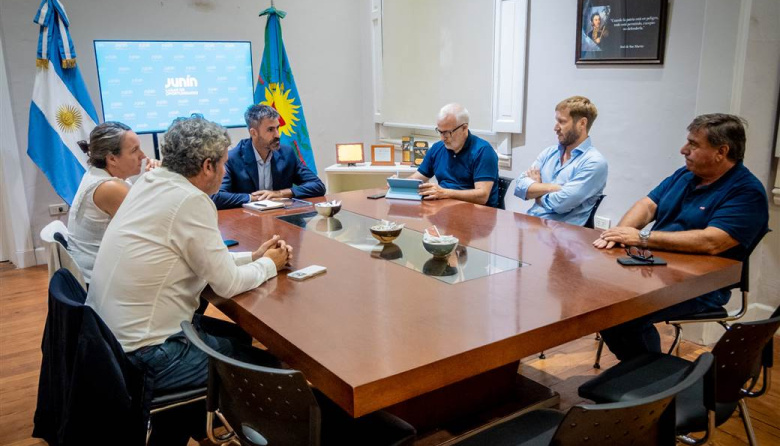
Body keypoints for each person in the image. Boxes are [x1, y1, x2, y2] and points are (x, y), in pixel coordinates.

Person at [86, 115, 292, 415]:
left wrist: (254, 257)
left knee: (236, 337)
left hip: (108, 345)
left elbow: (194, 256)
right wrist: (271, 266)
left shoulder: (150, 182)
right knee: (273, 369)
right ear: (207, 166)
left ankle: (194, 422)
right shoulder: (190, 200)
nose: (224, 171)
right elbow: (228, 284)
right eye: (222, 163)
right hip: (147, 356)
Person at [593, 113, 769, 361]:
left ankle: (652, 384)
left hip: (701, 286)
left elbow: (712, 241)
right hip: (654, 269)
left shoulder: (746, 192)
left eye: (694, 144)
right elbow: (647, 205)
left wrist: (642, 238)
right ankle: (640, 378)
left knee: (623, 313)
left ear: (721, 151)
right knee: (601, 299)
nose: (683, 150)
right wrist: (619, 234)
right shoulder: (685, 175)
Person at [68, 121, 159, 283]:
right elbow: (155, 229)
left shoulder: (99, 175)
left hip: (98, 272)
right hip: (100, 283)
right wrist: (160, 182)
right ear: (112, 159)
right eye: (134, 150)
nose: (143, 156)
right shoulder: (110, 187)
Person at [514, 96, 608, 225]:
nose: (555, 128)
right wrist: (554, 187)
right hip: (532, 223)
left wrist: (536, 192)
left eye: (562, 122)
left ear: (582, 123)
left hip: (563, 235)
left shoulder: (594, 163)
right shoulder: (549, 153)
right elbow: (519, 186)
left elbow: (559, 204)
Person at [211, 104, 325, 209]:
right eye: (270, 130)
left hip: (281, 218)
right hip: (246, 221)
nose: (277, 135)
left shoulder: (286, 153)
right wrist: (254, 198)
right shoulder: (233, 158)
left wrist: (280, 193)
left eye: (277, 128)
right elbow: (217, 197)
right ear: (253, 132)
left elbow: (318, 186)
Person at [408, 103, 500, 207]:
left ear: (464, 128)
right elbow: (418, 177)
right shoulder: (437, 148)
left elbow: (482, 196)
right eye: (440, 132)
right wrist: (399, 184)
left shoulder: (483, 151)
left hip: (476, 213)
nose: (443, 138)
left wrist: (445, 193)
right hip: (444, 208)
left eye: (447, 133)